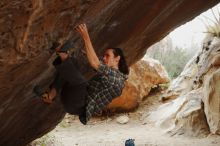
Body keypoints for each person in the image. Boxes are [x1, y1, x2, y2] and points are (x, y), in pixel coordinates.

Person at [36, 24, 129, 124]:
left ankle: (62, 54)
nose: (104, 58)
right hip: (72, 97)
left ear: (117, 58)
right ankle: (50, 95)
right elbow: (97, 62)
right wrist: (84, 53)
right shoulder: (112, 74)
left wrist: (85, 36)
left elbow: (95, 63)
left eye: (107, 56)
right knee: (73, 63)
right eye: (104, 56)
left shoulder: (116, 79)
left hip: (76, 105)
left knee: (81, 83)